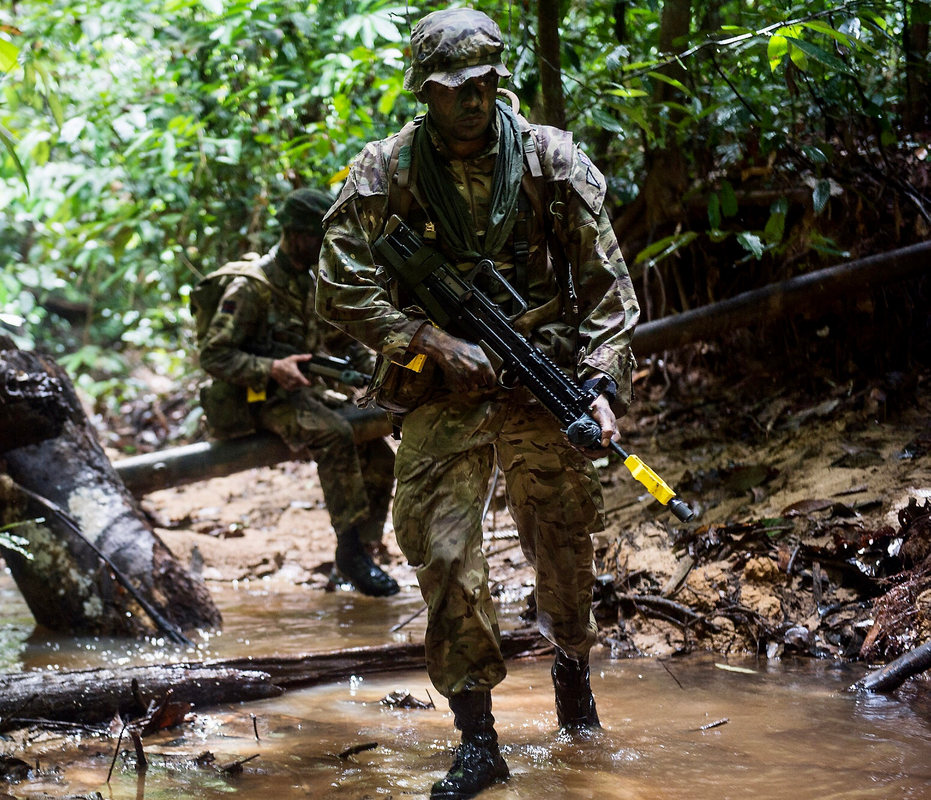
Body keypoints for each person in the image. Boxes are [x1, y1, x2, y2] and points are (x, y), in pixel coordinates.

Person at [316, 9, 640, 797]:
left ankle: (572, 673)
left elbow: (609, 293)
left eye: (486, 83)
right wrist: (424, 336)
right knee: (442, 549)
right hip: (442, 388)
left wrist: (599, 385)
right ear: (424, 91)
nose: (473, 99)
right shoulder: (384, 170)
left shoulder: (550, 161)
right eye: (455, 88)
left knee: (564, 543)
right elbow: (338, 284)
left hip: (542, 381)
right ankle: (479, 739)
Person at [195, 189, 400, 598]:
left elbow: (336, 338)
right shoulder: (251, 288)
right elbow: (213, 354)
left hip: (294, 392)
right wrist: (271, 368)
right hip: (253, 399)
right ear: (295, 235)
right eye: (317, 237)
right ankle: (349, 551)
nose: (325, 247)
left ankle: (363, 548)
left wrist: (378, 368)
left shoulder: (306, 282)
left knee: (377, 452)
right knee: (334, 434)